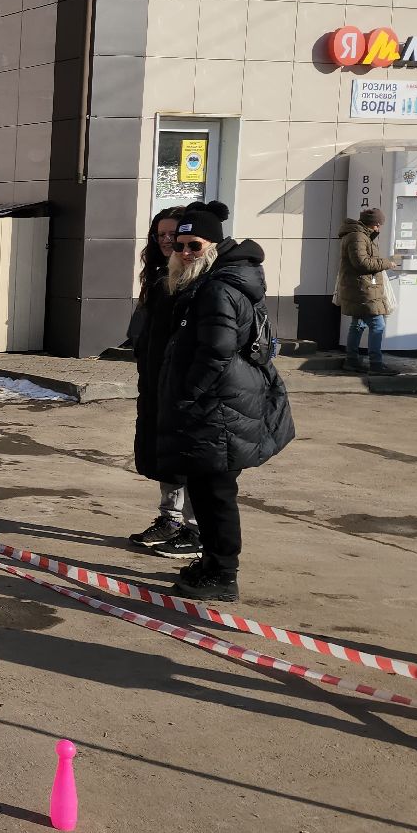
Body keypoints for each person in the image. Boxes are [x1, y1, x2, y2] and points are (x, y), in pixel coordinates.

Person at [154, 201, 295, 603]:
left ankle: (222, 572)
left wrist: (188, 395)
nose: (183, 253)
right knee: (207, 488)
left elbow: (215, 353)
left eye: (193, 246)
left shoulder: (217, 288)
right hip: (217, 406)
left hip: (217, 410)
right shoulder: (214, 281)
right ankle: (212, 563)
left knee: (215, 492)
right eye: (179, 245)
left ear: (213, 246)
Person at [128, 206, 199, 557]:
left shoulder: (199, 279)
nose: (169, 242)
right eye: (162, 236)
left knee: (190, 458)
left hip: (185, 384)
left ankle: (195, 528)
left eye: (176, 235)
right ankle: (170, 518)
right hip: (156, 379)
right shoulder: (157, 275)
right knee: (164, 453)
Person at [337, 208, 401, 375]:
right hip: (362, 289)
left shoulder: (360, 236)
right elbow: (362, 263)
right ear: (373, 224)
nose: (379, 228)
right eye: (378, 225)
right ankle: (376, 364)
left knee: (358, 324)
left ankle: (351, 361)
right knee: (377, 324)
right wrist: (387, 263)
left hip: (361, 287)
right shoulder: (358, 237)